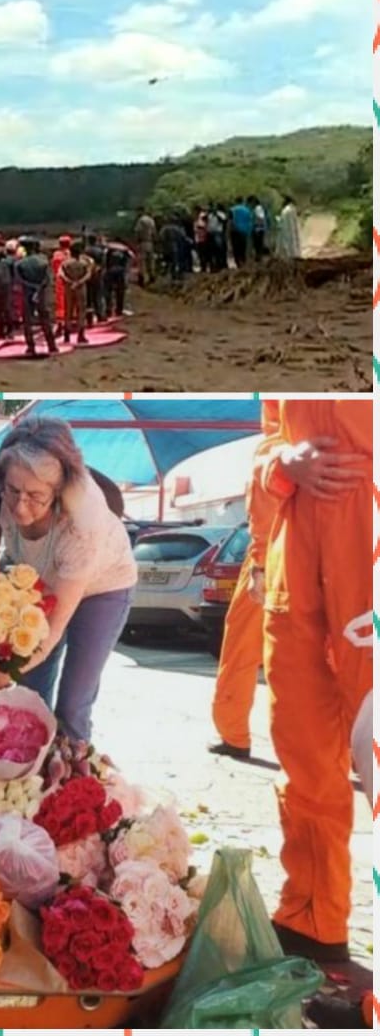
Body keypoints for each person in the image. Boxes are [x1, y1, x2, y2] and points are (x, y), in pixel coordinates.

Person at [256, 400, 371, 966]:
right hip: (296, 552)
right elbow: (266, 443)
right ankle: (312, 920)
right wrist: (282, 461)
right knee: (302, 751)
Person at [0, 419, 138, 743]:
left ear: (58, 492)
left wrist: (4, 674)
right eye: (13, 491)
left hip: (101, 587)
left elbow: (53, 629)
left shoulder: (85, 517)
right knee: (31, 697)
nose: (19, 506)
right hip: (34, 578)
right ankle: (30, 777)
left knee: (73, 703)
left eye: (35, 497)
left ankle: (73, 780)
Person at [209, 402, 283, 760]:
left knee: (242, 649)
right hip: (328, 555)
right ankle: (350, 747)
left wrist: (258, 568)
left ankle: (234, 735)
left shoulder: (273, 450)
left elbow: (263, 512)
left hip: (274, 560)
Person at [15, 237, 58, 358]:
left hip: (27, 292)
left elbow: (19, 280)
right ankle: (51, 344)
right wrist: (39, 288)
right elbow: (47, 278)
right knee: (45, 318)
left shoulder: (20, 263)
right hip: (41, 293)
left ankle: (30, 346)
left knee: (27, 321)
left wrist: (32, 287)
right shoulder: (43, 260)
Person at [58, 241, 92, 344]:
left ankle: (66, 335)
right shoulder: (84, 263)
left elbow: (60, 274)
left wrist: (69, 282)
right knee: (81, 311)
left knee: (68, 311)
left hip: (68, 288)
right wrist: (78, 282)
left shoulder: (65, 263)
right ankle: (80, 335)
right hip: (80, 288)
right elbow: (88, 274)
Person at [103, 241, 131, 318]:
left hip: (110, 271)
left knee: (108, 291)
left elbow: (105, 260)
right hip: (120, 272)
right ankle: (119, 310)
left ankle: (108, 310)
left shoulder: (109, 249)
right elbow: (130, 259)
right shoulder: (125, 250)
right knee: (120, 292)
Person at [133, 211, 157, 286]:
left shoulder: (141, 220)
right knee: (150, 261)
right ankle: (152, 276)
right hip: (150, 242)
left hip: (142, 243)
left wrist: (136, 241)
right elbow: (154, 232)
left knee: (141, 262)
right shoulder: (151, 220)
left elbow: (137, 231)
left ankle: (141, 278)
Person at [274, 194, 301, 259]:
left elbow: (282, 223)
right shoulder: (293, 209)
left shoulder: (285, 211)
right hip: (292, 231)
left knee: (286, 245)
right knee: (293, 243)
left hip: (285, 231)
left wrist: (278, 221)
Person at [229, 196, 253, 266]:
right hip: (244, 232)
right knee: (243, 249)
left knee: (236, 249)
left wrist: (227, 233)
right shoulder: (247, 210)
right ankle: (243, 264)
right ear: (242, 201)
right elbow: (249, 221)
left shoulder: (232, 210)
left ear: (235, 201)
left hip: (235, 231)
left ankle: (238, 264)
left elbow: (230, 222)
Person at [250, 195, 269, 260]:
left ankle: (259, 258)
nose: (250, 205)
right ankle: (258, 258)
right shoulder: (258, 208)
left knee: (258, 245)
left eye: (251, 203)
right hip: (258, 228)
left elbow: (261, 217)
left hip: (258, 229)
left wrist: (257, 227)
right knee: (258, 245)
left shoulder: (258, 208)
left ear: (253, 201)